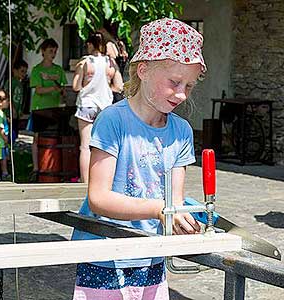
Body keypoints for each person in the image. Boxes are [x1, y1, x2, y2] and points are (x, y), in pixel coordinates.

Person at [71, 18, 206, 299]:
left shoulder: (181, 132)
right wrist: (161, 208)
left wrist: (185, 221)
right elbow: (99, 198)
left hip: (151, 258)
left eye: (190, 86)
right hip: (104, 256)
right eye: (175, 82)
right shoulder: (112, 120)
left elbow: (174, 202)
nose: (182, 94)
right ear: (143, 70)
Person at [72, 31, 123, 183]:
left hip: (87, 105)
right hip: (105, 106)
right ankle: (105, 181)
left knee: (85, 146)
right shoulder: (110, 63)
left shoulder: (85, 62)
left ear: (89, 44)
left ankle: (85, 182)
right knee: (105, 145)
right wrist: (106, 88)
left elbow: (75, 86)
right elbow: (119, 86)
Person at [28, 38, 67, 182]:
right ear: (43, 51)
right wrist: (53, 88)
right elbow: (38, 90)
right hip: (39, 109)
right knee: (37, 139)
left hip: (54, 108)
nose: (53, 53)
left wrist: (62, 92)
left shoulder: (59, 70)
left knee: (54, 138)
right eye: (51, 51)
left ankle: (54, 166)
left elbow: (63, 87)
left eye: (55, 51)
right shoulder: (37, 70)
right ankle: (36, 168)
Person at [5, 60, 28, 143]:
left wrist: (20, 110)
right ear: (14, 70)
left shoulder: (20, 84)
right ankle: (7, 150)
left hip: (16, 115)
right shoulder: (11, 82)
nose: (24, 74)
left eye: (25, 72)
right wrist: (12, 109)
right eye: (22, 71)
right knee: (9, 132)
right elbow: (7, 96)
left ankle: (11, 148)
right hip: (9, 114)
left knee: (14, 133)